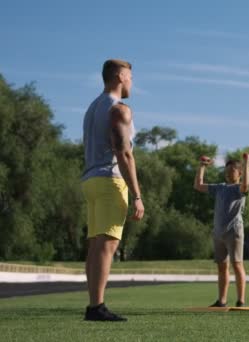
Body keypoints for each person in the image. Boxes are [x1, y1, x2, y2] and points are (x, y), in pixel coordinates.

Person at [81, 59, 145, 321]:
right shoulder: (118, 109)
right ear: (120, 76)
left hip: (91, 180)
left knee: (97, 244)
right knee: (108, 244)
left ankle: (94, 304)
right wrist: (137, 195)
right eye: (130, 77)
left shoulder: (93, 107)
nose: (131, 83)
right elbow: (124, 153)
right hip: (110, 181)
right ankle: (96, 307)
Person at [194, 154, 249, 307]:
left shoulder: (239, 189)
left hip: (234, 231)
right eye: (226, 170)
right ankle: (222, 300)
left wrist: (246, 163)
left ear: (239, 173)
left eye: (232, 170)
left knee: (237, 264)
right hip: (219, 232)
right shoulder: (220, 187)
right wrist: (202, 166)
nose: (228, 173)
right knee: (222, 266)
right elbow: (198, 185)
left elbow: (246, 185)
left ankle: (241, 301)